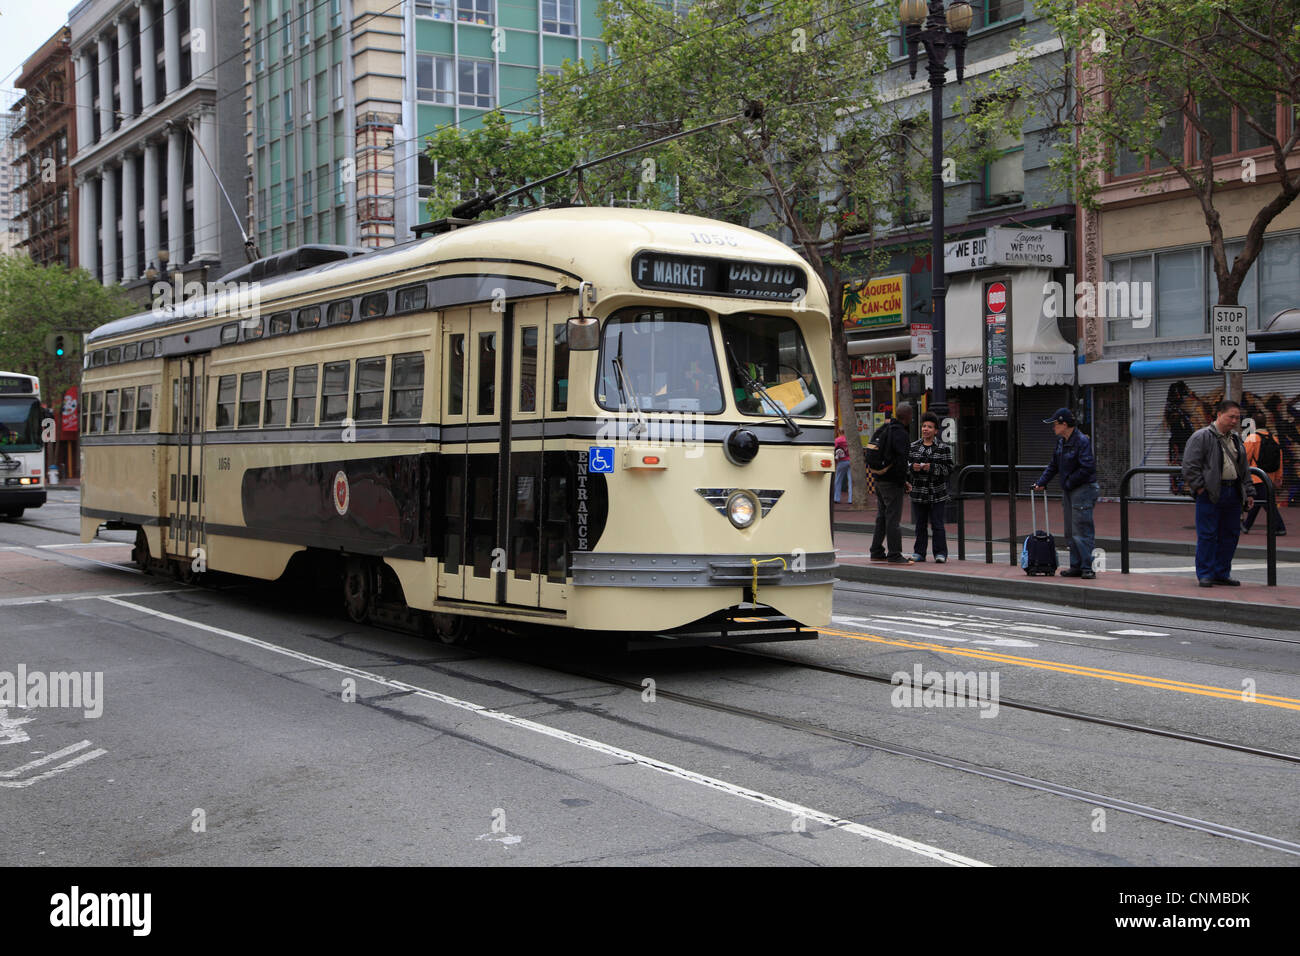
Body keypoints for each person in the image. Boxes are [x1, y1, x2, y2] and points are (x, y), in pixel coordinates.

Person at [1182, 399, 1255, 587]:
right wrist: (1200, 488)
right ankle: (1205, 574)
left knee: (1230, 534)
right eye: (1231, 417)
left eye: (1237, 418)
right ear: (1219, 414)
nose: (1234, 421)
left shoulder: (1236, 438)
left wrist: (1249, 491)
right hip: (1211, 492)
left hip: (1233, 492)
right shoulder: (1202, 436)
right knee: (1208, 534)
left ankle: (1221, 572)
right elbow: (1190, 466)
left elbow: (1244, 468)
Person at [1033, 407, 1099, 580]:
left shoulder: (1081, 441)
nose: (1053, 427)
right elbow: (1053, 465)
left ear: (1064, 424)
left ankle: (1087, 567)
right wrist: (1041, 482)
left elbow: (1087, 468)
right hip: (1070, 490)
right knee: (1070, 530)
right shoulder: (1062, 442)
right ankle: (1076, 565)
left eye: (1055, 424)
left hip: (1083, 489)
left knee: (1082, 530)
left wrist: (1068, 482)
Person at [870, 403, 914, 564]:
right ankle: (894, 554)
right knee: (893, 519)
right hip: (891, 481)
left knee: (882, 516)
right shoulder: (900, 433)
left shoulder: (885, 427)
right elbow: (901, 461)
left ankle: (876, 551)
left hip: (879, 479)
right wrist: (904, 482)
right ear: (908, 416)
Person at [908, 411, 953, 563]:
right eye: (924, 426)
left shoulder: (943, 448)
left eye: (929, 427)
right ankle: (919, 552)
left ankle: (940, 553)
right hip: (918, 492)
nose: (925, 429)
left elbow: (949, 469)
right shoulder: (913, 446)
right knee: (920, 524)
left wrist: (932, 468)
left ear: (936, 431)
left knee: (937, 524)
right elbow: (905, 467)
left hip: (937, 493)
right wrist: (912, 468)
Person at [1243, 420, 1286, 536]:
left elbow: (1244, 457)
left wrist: (1241, 474)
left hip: (1255, 476)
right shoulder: (1274, 438)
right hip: (1269, 477)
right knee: (1258, 502)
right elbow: (1279, 460)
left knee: (1267, 504)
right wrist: (1278, 477)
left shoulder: (1252, 438)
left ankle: (1280, 527)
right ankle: (1246, 525)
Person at [833, 430, 852, 504]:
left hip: (842, 461)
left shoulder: (837, 440)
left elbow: (834, 449)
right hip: (850, 461)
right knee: (850, 481)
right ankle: (850, 499)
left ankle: (837, 498)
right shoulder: (850, 439)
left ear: (839, 432)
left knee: (838, 480)